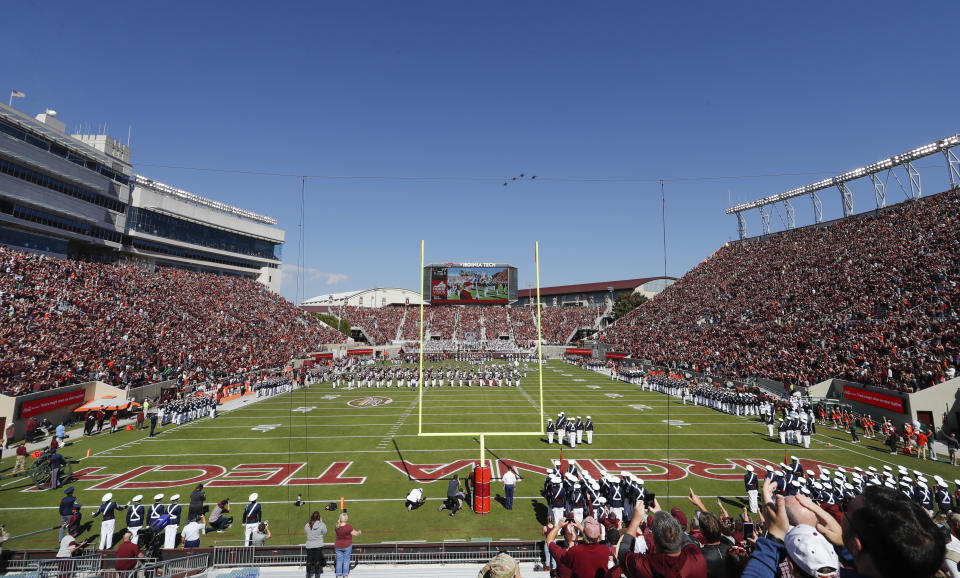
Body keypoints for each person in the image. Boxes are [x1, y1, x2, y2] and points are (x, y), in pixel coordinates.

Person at [334, 512, 361, 578]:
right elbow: (355, 534)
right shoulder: (349, 527)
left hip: (338, 546)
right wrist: (359, 532)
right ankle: (345, 575)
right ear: (346, 519)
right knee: (346, 561)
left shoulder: (337, 526)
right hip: (347, 546)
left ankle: (338, 575)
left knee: (339, 561)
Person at [305, 510, 328, 578]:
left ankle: (308, 574)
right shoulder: (321, 524)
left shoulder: (307, 525)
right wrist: (321, 522)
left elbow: (306, 531)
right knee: (317, 560)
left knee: (309, 560)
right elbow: (325, 532)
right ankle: (317, 575)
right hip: (318, 545)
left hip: (309, 545)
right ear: (319, 517)